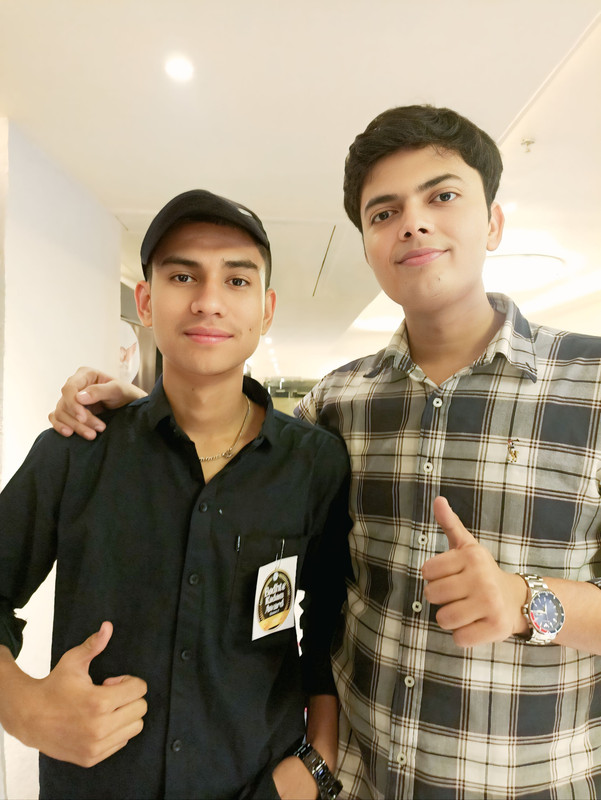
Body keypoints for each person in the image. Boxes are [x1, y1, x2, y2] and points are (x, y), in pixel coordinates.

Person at [49, 106, 601, 799]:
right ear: (367, 245)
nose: (413, 223)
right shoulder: (338, 403)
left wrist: (528, 601)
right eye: (384, 212)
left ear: (492, 222)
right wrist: (146, 411)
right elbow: (239, 456)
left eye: (441, 196)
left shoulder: (590, 383)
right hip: (359, 782)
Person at [0, 189, 352, 800]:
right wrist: (24, 708)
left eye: (237, 280)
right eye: (183, 275)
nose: (209, 300)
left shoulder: (313, 464)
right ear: (145, 301)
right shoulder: (75, 451)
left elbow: (328, 629)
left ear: (266, 309)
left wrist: (316, 765)